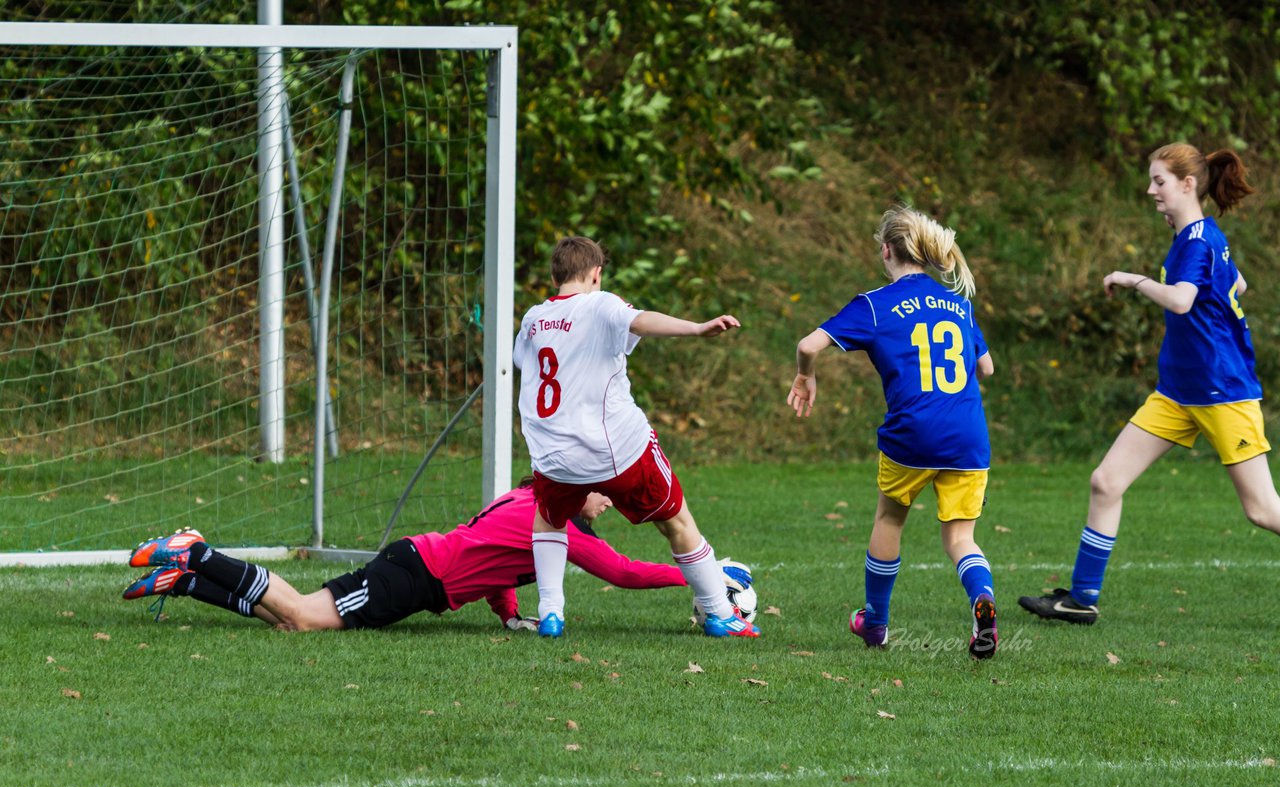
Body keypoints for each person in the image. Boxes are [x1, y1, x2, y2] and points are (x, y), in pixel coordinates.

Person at [1019, 142, 1276, 624]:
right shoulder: (1198, 236)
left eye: (1159, 181)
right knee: (1106, 481)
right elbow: (1237, 285)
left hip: (1224, 390)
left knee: (1262, 511)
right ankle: (1081, 598)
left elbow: (1181, 301)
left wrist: (1133, 278)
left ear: (1187, 184)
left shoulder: (1197, 240)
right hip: (1178, 392)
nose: (1150, 190)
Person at [513, 235, 759, 638]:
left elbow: (526, 363)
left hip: (555, 456)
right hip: (617, 451)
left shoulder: (534, 318)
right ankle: (719, 614)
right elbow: (640, 320)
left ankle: (551, 614)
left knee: (548, 519)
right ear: (596, 273)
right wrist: (697, 329)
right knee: (677, 521)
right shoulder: (602, 302)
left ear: (556, 276)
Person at [787, 205, 998, 659]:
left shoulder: (875, 305)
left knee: (890, 519)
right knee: (961, 538)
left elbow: (808, 344)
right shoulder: (957, 302)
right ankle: (982, 598)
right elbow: (987, 366)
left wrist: (806, 374)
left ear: (887, 251)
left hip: (912, 434)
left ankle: (876, 624)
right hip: (967, 434)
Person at [121, 481, 709, 632]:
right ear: (583, 490)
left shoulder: (530, 501)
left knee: (292, 624)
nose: (609, 499)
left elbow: (494, 565)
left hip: (415, 563)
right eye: (605, 489)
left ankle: (185, 581)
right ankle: (196, 551)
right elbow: (624, 573)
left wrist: (507, 614)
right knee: (301, 613)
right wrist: (700, 577)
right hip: (415, 576)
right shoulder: (558, 524)